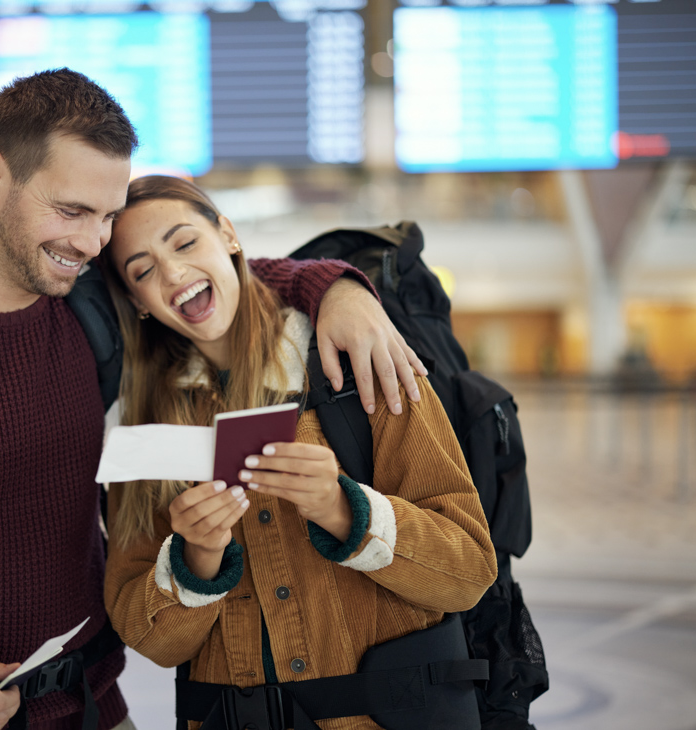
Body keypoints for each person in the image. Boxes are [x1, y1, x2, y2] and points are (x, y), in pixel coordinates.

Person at [0, 70, 421, 730]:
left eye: (107, 217)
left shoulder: (89, 306)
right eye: (71, 211)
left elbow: (209, 283)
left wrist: (334, 287)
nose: (92, 242)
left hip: (89, 706)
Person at [100, 176, 498, 730]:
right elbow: (151, 642)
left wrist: (343, 510)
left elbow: (469, 570)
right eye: (141, 270)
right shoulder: (143, 426)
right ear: (136, 302)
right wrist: (197, 561)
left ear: (229, 236)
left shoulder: (359, 359)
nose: (172, 273)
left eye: (185, 242)